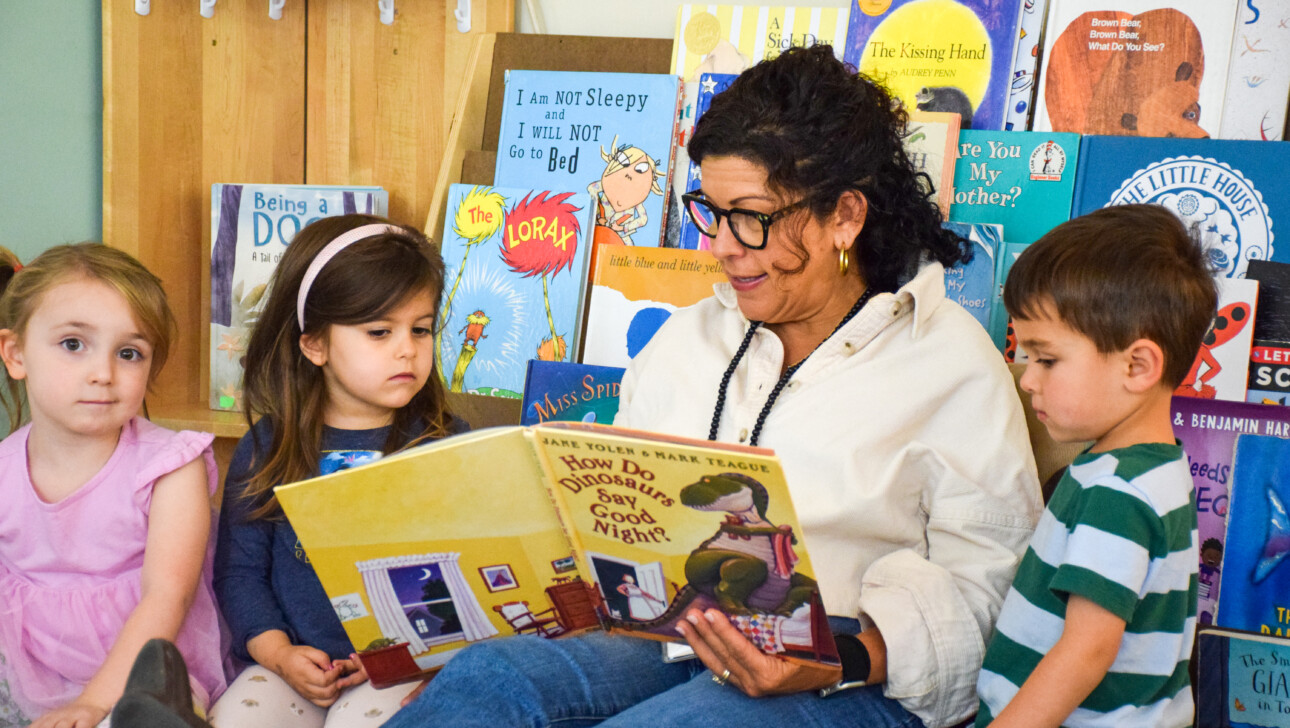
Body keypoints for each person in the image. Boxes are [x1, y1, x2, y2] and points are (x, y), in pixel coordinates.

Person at [388, 45, 1041, 728]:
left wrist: (844, 656)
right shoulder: (689, 339)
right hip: (672, 629)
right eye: (712, 210)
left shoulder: (949, 363)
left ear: (844, 216)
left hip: (847, 665)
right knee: (489, 679)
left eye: (752, 217)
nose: (725, 246)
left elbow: (992, 595)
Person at [210, 215, 464, 727]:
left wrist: (439, 667)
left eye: (420, 329)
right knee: (238, 719)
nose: (407, 349)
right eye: (379, 331)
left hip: (406, 672)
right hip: (294, 664)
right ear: (315, 345)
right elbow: (239, 574)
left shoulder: (447, 445)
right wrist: (279, 654)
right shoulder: (268, 446)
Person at [975, 204, 1216, 727]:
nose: (1027, 379)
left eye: (1046, 358)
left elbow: (1086, 650)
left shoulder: (1119, 491)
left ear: (1137, 365)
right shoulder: (1152, 468)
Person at [0, 244, 226, 726]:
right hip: (34, 671)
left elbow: (168, 596)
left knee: (144, 714)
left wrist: (93, 703)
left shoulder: (169, 467)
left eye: (129, 353)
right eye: (73, 344)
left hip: (149, 669)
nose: (103, 374)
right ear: (16, 354)